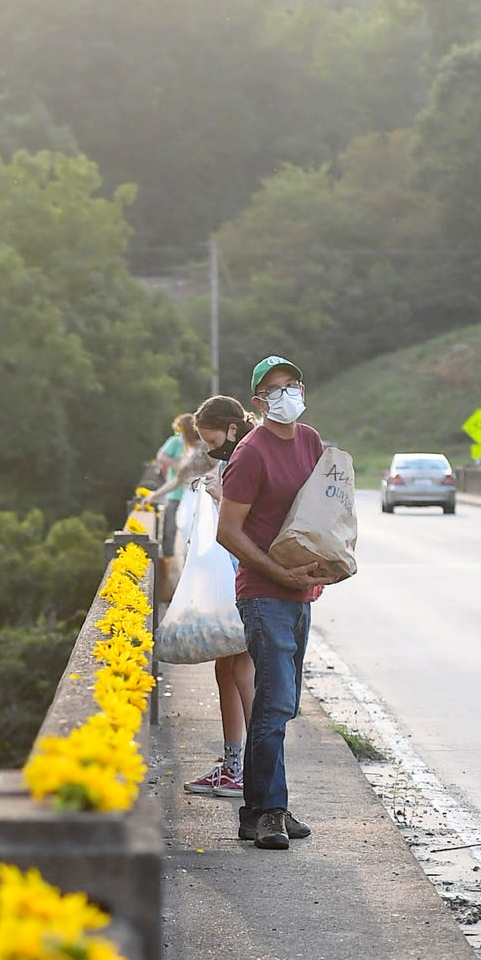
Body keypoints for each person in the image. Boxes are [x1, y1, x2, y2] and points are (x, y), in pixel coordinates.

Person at [215, 355, 327, 854]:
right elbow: (227, 531)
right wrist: (277, 572)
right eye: (274, 389)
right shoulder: (251, 451)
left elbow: (322, 510)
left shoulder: (310, 442)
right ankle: (268, 811)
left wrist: (324, 565)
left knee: (283, 704)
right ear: (258, 402)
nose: (286, 395)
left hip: (301, 590)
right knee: (275, 700)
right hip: (263, 594)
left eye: (292, 385)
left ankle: (258, 810)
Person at [179, 395, 258, 802]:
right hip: (231, 576)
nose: (210, 449)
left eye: (212, 440)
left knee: (241, 670)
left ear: (231, 428)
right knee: (225, 670)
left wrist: (217, 496)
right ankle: (233, 765)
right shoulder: (236, 454)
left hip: (247, 578)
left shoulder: (250, 453)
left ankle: (257, 770)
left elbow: (254, 514)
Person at [152, 411, 198, 558]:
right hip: (177, 494)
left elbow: (179, 478)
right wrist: (177, 464)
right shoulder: (176, 442)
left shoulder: (198, 449)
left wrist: (155, 495)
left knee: (189, 534)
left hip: (193, 496)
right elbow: (162, 457)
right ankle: (168, 560)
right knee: (170, 530)